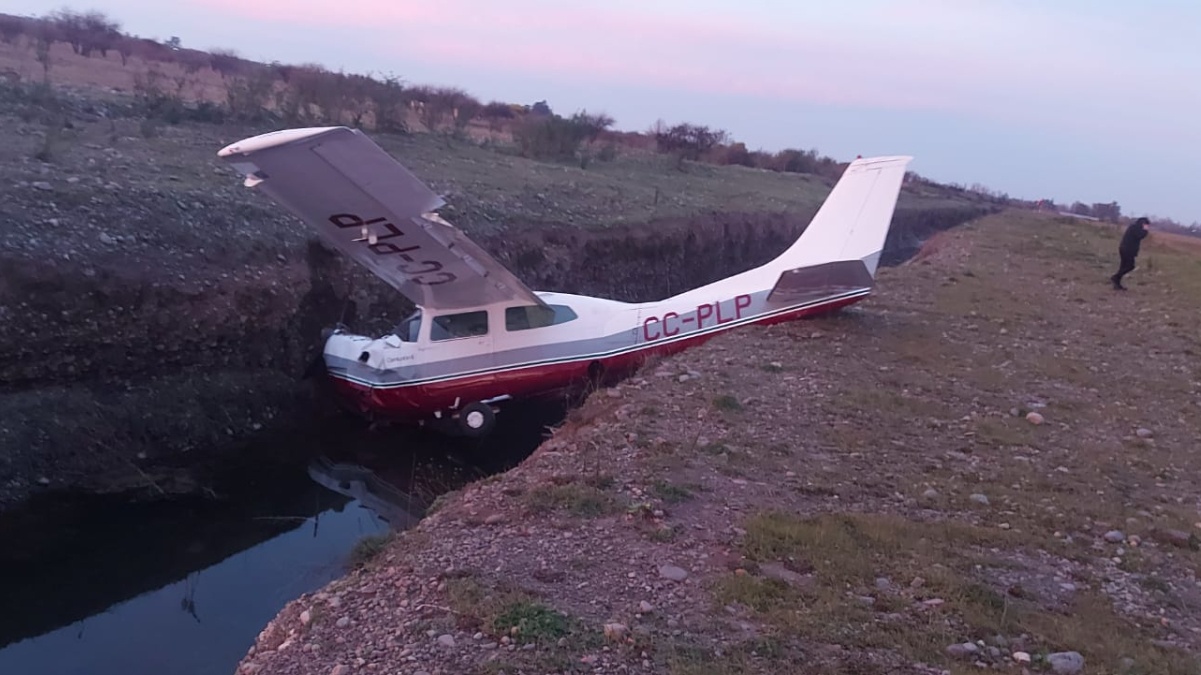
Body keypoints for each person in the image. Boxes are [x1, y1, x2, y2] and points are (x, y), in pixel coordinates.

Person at [1111, 217, 1150, 290]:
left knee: (1123, 267)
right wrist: (1145, 230)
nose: (1147, 226)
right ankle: (1116, 277)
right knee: (1130, 266)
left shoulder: (1133, 226)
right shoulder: (1135, 228)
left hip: (1124, 248)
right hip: (1128, 250)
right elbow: (1140, 235)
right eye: (1146, 225)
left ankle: (1117, 284)